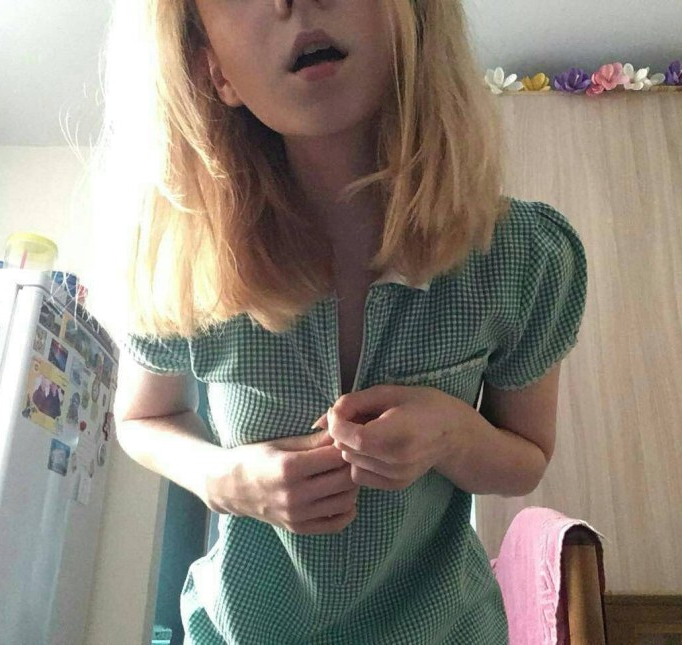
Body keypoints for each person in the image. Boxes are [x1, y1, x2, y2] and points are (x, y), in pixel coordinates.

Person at [102, 0, 588, 643]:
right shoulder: (184, 260)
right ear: (214, 70)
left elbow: (526, 459)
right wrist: (225, 480)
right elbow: (140, 420)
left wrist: (451, 435)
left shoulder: (523, 258)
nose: (291, 1)